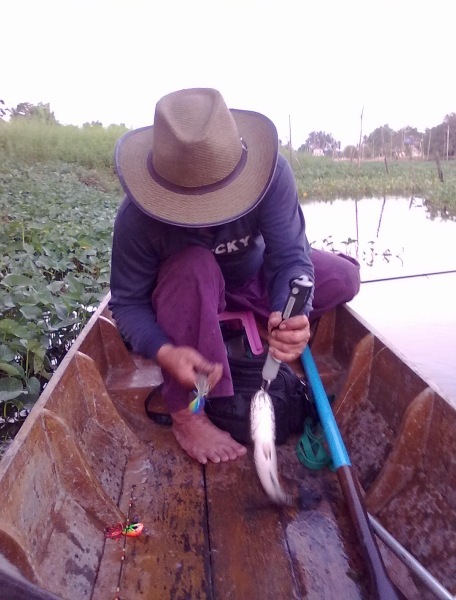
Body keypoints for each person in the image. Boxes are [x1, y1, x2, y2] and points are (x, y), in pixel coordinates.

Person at [109, 88, 360, 465]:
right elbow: (127, 303)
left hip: (253, 277)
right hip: (189, 287)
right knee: (194, 264)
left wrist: (293, 311)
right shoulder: (136, 218)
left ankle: (260, 321)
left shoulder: (272, 176)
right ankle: (185, 414)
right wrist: (165, 350)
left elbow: (290, 255)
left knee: (343, 277)